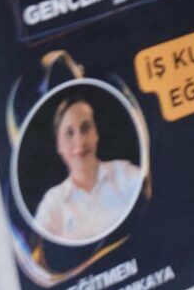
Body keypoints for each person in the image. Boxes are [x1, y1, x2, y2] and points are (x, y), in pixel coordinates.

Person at [31, 96, 141, 243]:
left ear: (96, 133)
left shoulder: (124, 174)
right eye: (69, 133)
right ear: (59, 146)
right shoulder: (53, 202)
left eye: (85, 128)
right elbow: (36, 252)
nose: (80, 142)